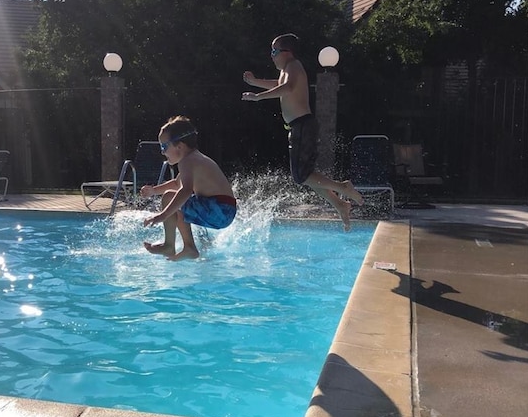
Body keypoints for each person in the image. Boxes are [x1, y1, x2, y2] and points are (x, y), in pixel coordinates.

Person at [242, 33, 363, 230]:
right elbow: (280, 84)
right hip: (299, 127)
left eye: (274, 51)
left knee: (301, 177)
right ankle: (340, 204)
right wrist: (256, 82)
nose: (271, 56)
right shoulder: (289, 69)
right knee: (307, 175)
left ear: (286, 52)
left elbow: (287, 88)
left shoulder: (294, 66)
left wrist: (258, 97)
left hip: (302, 126)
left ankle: (343, 187)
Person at [142, 115, 237, 261]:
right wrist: (154, 190)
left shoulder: (187, 161)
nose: (162, 152)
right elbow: (176, 184)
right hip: (224, 211)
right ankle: (185, 246)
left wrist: (163, 215)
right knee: (175, 200)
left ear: (179, 145)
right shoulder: (194, 159)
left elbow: (185, 190)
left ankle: (181, 246)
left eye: (164, 146)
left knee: (171, 198)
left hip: (218, 209)